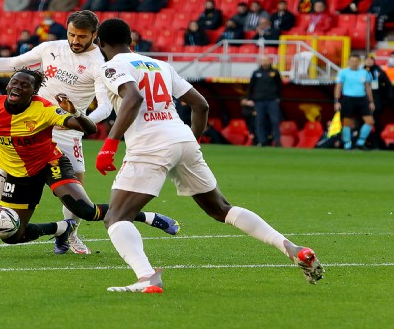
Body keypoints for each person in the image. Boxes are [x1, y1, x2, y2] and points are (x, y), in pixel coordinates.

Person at [93, 18, 324, 292]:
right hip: (181, 137)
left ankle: (147, 278)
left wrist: (110, 144)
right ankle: (291, 247)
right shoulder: (160, 65)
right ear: (131, 40)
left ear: (100, 43)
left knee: (117, 217)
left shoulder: (111, 66)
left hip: (150, 143)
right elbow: (200, 105)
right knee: (220, 209)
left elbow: (133, 98)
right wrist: (192, 141)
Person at [0, 69, 180, 250]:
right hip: (19, 177)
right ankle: (62, 229)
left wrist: (76, 113)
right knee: (12, 236)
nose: (17, 87)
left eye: (24, 85)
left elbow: (89, 129)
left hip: (51, 165)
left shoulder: (45, 110)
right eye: (14, 82)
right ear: (7, 85)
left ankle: (146, 217)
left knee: (86, 211)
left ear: (34, 91)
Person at [0, 10, 114, 255]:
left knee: (76, 191)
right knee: (7, 164)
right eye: (71, 34)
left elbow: (105, 106)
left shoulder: (99, 64)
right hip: (33, 118)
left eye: (82, 37)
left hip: (66, 127)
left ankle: (70, 234)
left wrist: (80, 120)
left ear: (94, 35)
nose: (75, 41)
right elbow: (12, 63)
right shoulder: (50, 47)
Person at [334, 55, 374, 150]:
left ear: (359, 62)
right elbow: (338, 86)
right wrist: (336, 101)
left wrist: (371, 101)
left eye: (356, 61)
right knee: (347, 122)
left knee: (370, 121)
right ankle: (347, 143)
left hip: (362, 99)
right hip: (348, 98)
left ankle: (360, 142)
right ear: (348, 62)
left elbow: (368, 87)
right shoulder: (343, 72)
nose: (354, 63)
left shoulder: (364, 72)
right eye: (352, 61)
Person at [245, 56, 283, 146]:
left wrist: (278, 97)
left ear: (269, 61)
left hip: (272, 100)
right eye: (262, 61)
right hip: (259, 101)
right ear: (260, 62)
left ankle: (277, 141)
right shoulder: (256, 73)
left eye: (266, 61)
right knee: (259, 121)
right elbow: (251, 86)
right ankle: (262, 141)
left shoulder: (275, 72)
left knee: (275, 120)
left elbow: (279, 85)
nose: (264, 63)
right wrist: (250, 98)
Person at [363, 54, 393, 147]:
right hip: (363, 100)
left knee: (374, 122)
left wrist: (388, 97)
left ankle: (376, 143)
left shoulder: (379, 71)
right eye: (367, 59)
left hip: (377, 101)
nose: (369, 61)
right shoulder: (361, 71)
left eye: (371, 60)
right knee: (364, 122)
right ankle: (364, 142)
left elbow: (388, 85)